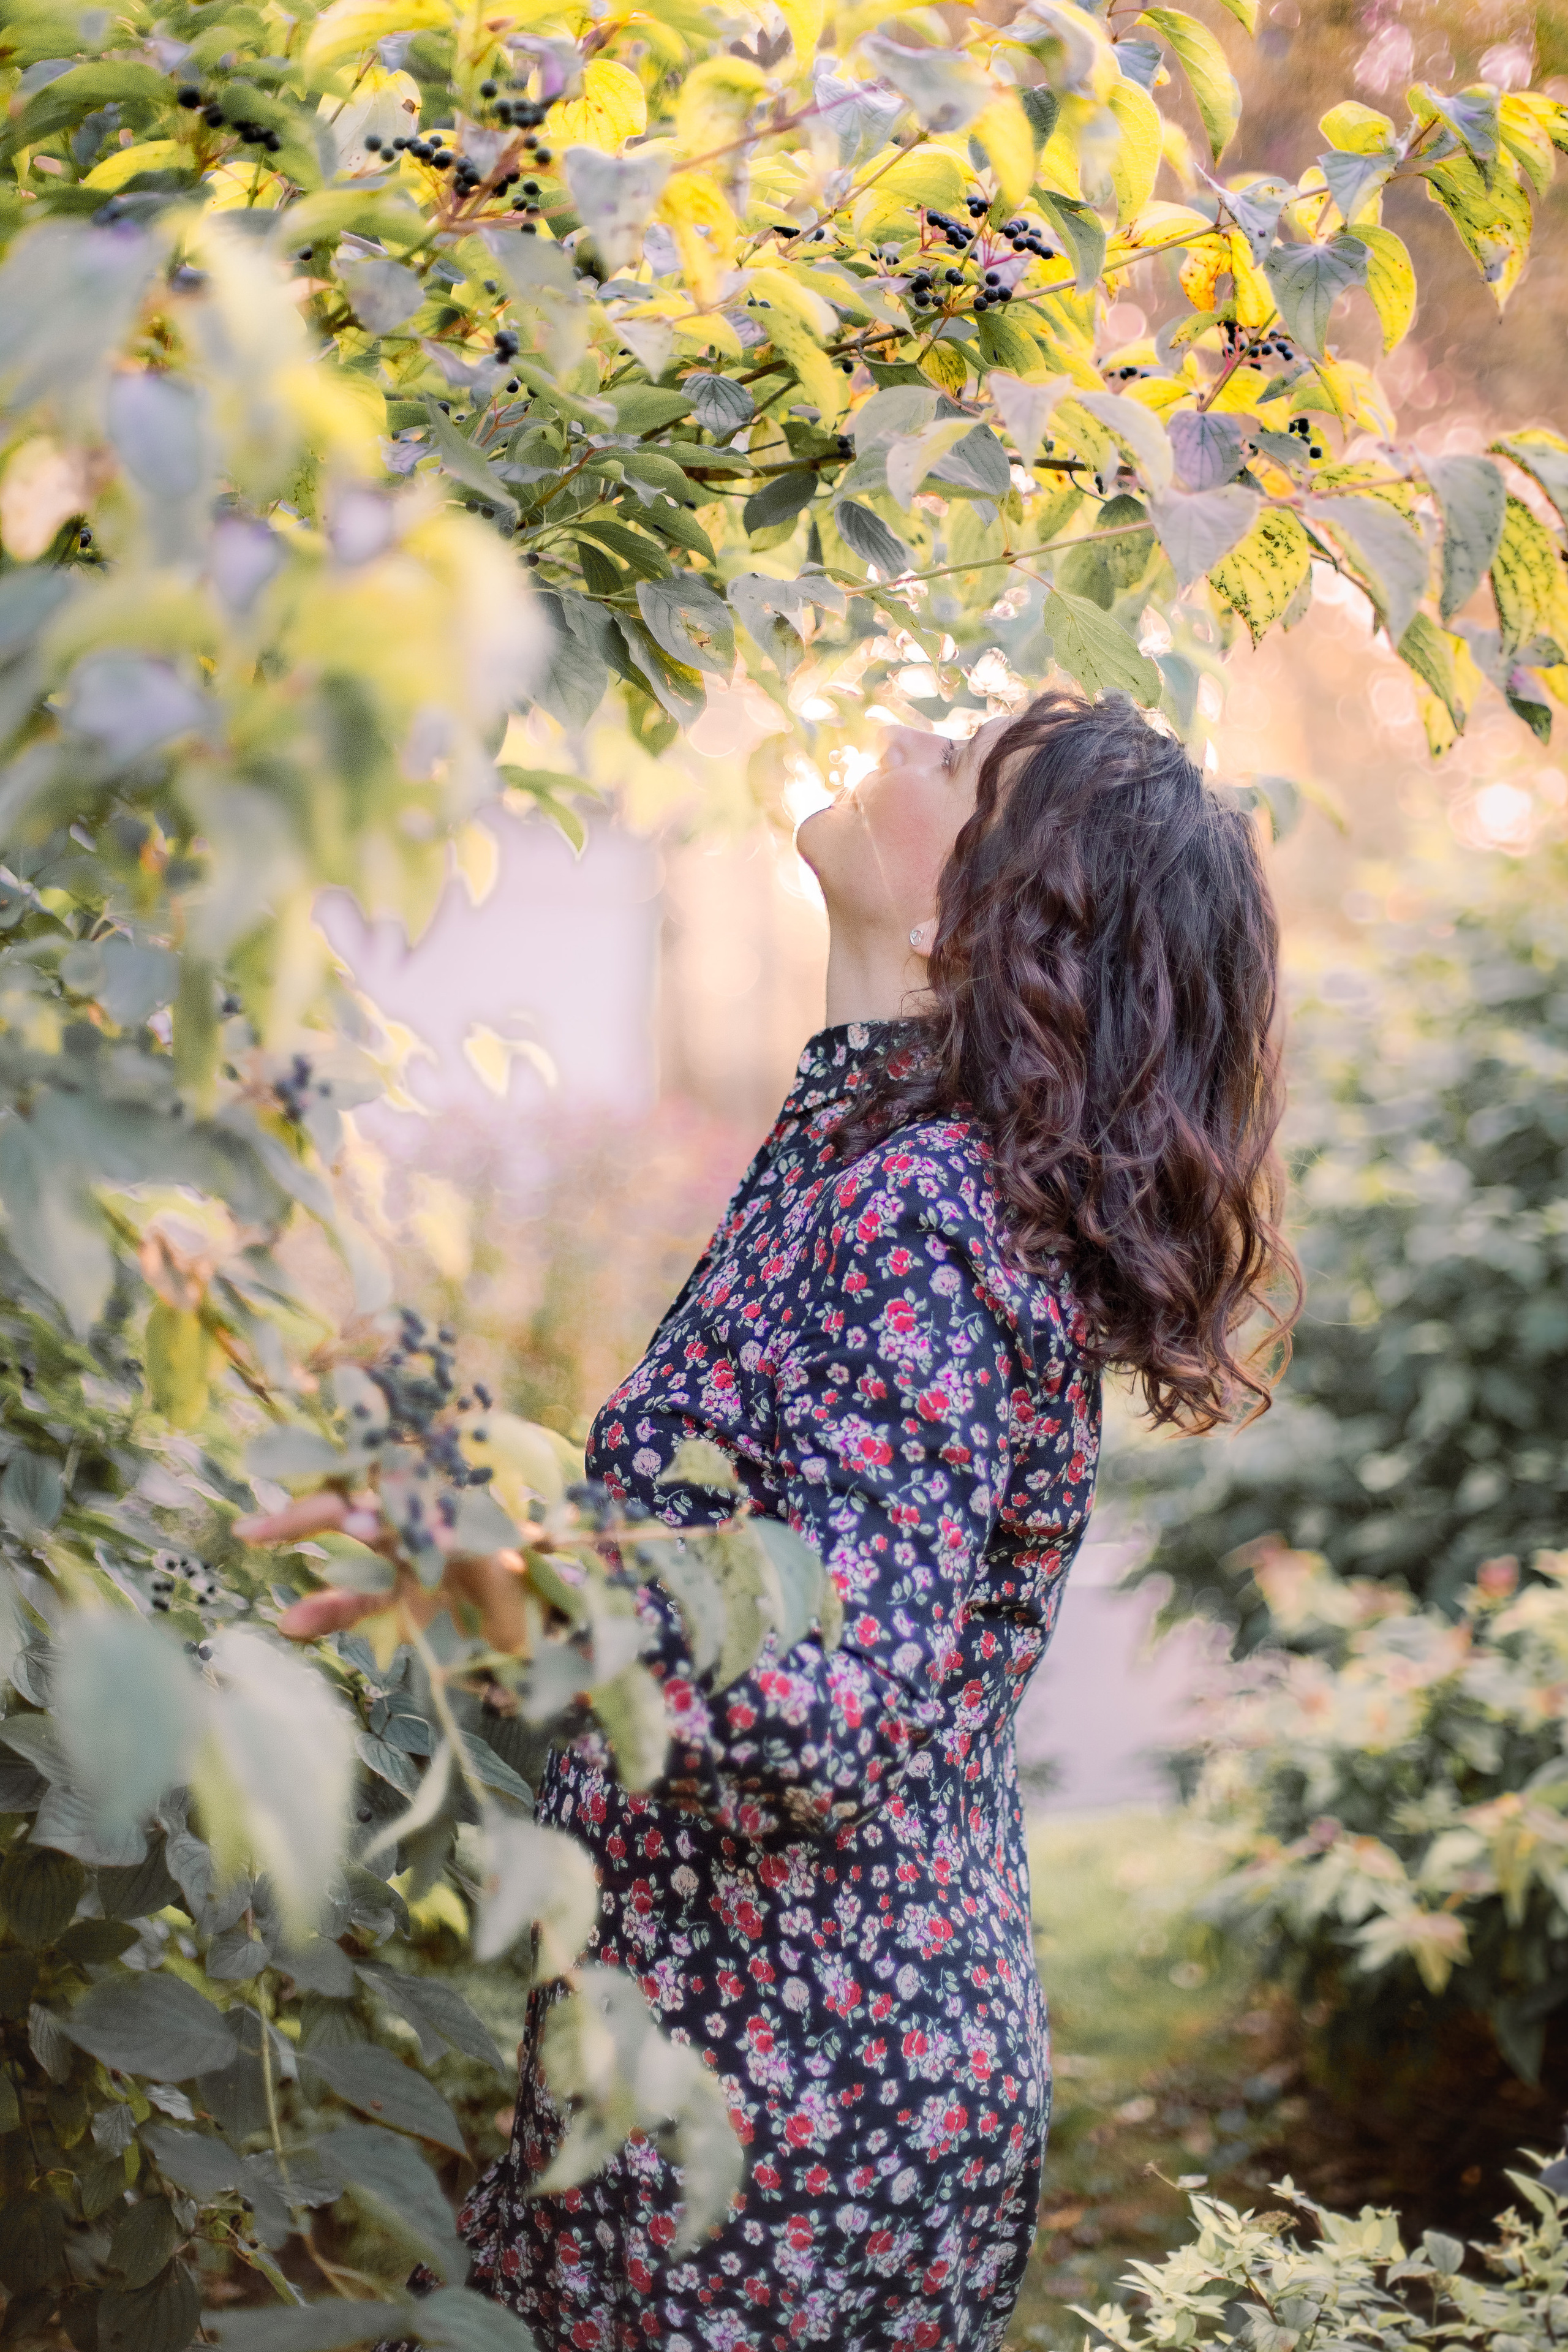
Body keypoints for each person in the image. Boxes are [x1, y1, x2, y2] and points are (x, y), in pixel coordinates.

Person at [241, 691, 1297, 2351]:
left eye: (955, 768)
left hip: (782, 2090)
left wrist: (504, 1579)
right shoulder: (876, 1162)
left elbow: (816, 1716)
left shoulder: (925, 1213)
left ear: (1001, 905)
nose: (900, 737)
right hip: (769, 2040)